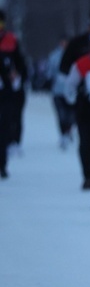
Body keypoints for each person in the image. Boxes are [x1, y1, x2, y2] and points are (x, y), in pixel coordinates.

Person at [60, 10, 90, 190]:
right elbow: (65, 69)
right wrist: (79, 88)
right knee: (87, 142)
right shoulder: (77, 44)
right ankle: (89, 174)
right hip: (85, 103)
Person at [0, 10, 28, 179]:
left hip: (6, 92)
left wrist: (18, 74)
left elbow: (21, 64)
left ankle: (2, 164)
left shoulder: (11, 40)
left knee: (3, 128)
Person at [46, 34, 76, 149]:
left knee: (71, 114)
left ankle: (68, 131)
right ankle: (63, 134)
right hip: (57, 91)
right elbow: (50, 71)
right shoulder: (54, 56)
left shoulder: (73, 54)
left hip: (71, 91)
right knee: (61, 114)